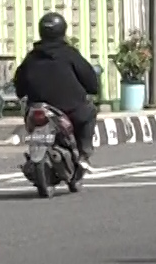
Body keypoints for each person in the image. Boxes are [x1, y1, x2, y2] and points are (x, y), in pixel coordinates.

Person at [13, 12, 101, 171]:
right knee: (89, 113)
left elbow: (20, 81)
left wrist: (21, 93)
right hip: (70, 108)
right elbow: (88, 76)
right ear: (63, 31)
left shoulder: (32, 57)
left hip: (37, 107)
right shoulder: (70, 54)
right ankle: (84, 154)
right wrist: (92, 89)